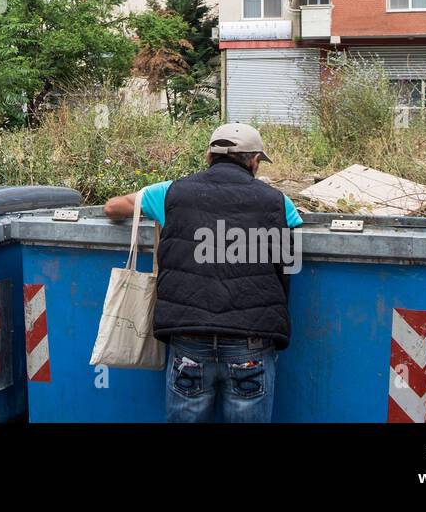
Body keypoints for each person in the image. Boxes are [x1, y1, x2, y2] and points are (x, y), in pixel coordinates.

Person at [104, 123, 302, 423]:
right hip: (251, 341)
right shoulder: (279, 202)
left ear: (209, 156)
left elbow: (113, 207)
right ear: (254, 161)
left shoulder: (170, 193)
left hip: (189, 339)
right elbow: (289, 263)